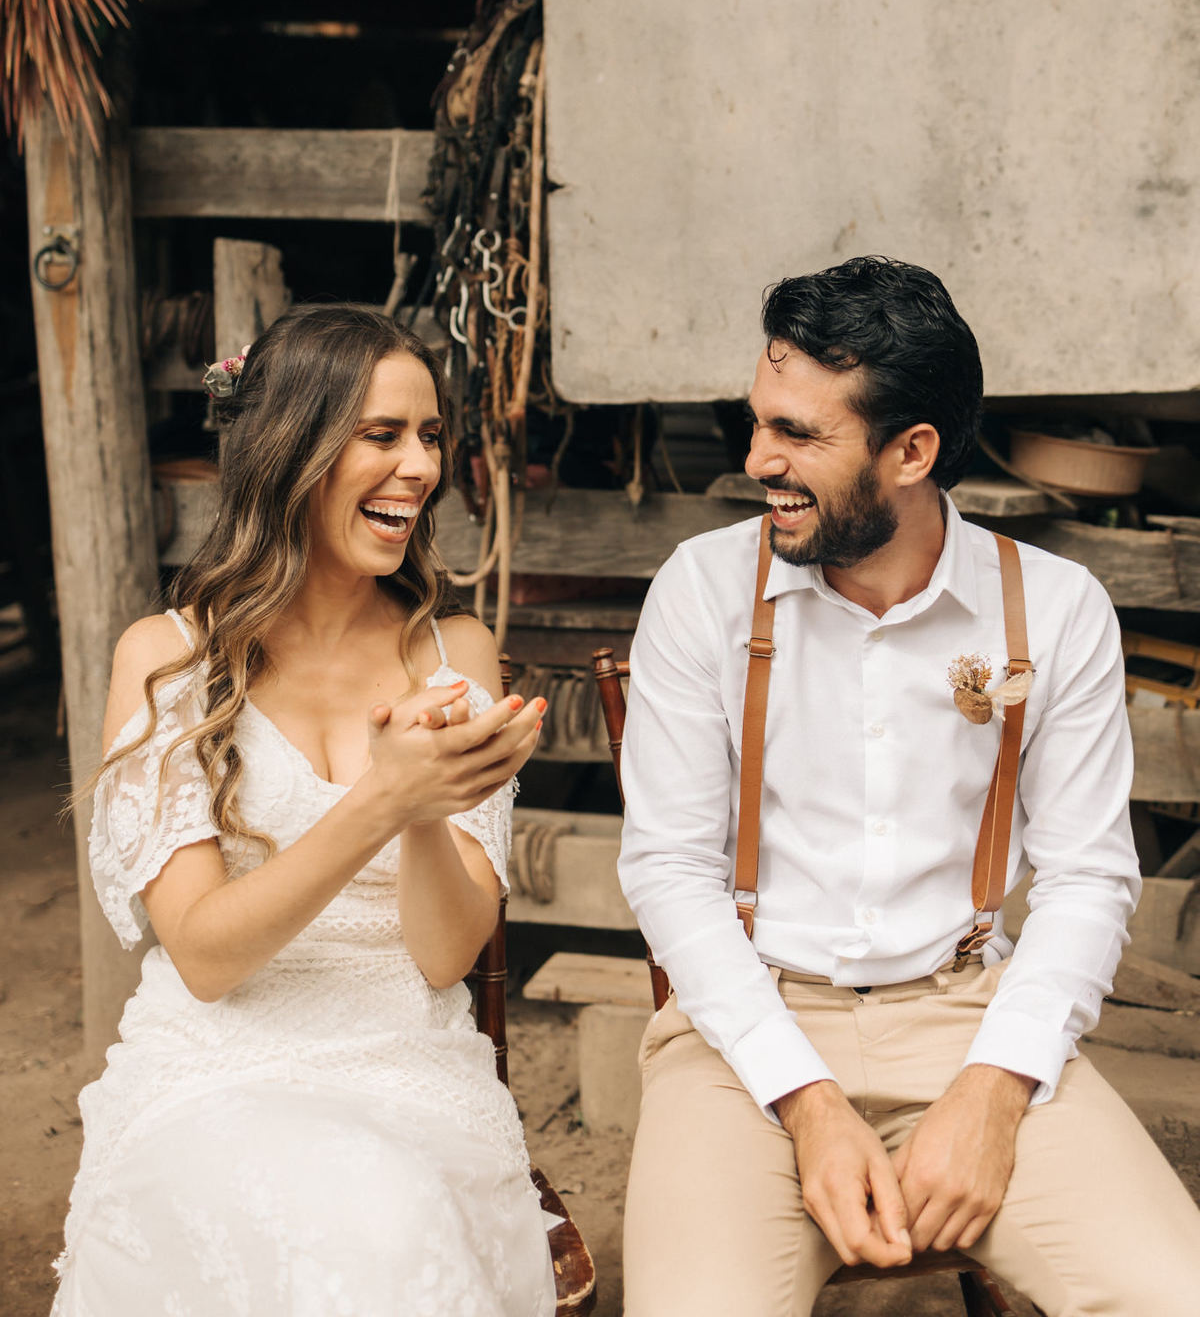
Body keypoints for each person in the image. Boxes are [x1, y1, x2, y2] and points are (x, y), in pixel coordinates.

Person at [618, 257, 1200, 1317]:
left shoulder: (1056, 609)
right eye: (761, 424)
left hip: (971, 1013)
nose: (759, 459)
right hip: (743, 1029)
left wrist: (996, 1088)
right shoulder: (702, 594)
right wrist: (805, 1102)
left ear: (912, 452)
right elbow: (668, 867)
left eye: (800, 435)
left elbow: (1086, 877)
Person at [53, 303, 554, 1316]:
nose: (419, 466)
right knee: (298, 1213)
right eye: (381, 435)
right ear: (291, 445)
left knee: (391, 1216)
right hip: (216, 1064)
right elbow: (203, 952)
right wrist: (384, 797)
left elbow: (444, 954)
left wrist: (422, 807)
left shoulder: (453, 653)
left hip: (404, 1056)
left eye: (428, 436)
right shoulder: (168, 661)